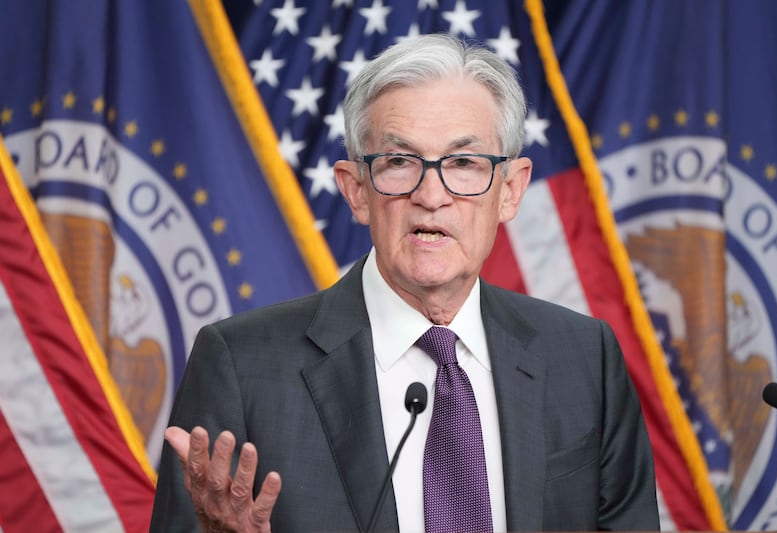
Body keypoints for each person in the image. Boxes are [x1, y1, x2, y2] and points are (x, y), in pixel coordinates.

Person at [150, 33, 659, 532]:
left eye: (463, 162)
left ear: (510, 190)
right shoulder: (241, 368)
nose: (431, 195)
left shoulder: (584, 358)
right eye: (399, 162)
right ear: (356, 192)